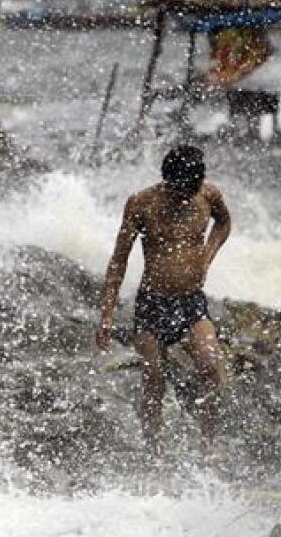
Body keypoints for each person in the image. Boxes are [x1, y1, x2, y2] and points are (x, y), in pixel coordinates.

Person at [97, 145, 232, 460]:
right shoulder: (141, 203)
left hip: (191, 302)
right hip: (152, 305)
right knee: (154, 379)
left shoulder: (208, 195)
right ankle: (155, 451)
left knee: (210, 368)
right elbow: (118, 262)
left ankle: (208, 447)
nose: (185, 198)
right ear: (167, 181)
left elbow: (224, 224)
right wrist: (106, 316)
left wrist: (206, 259)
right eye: (179, 191)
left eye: (192, 190)